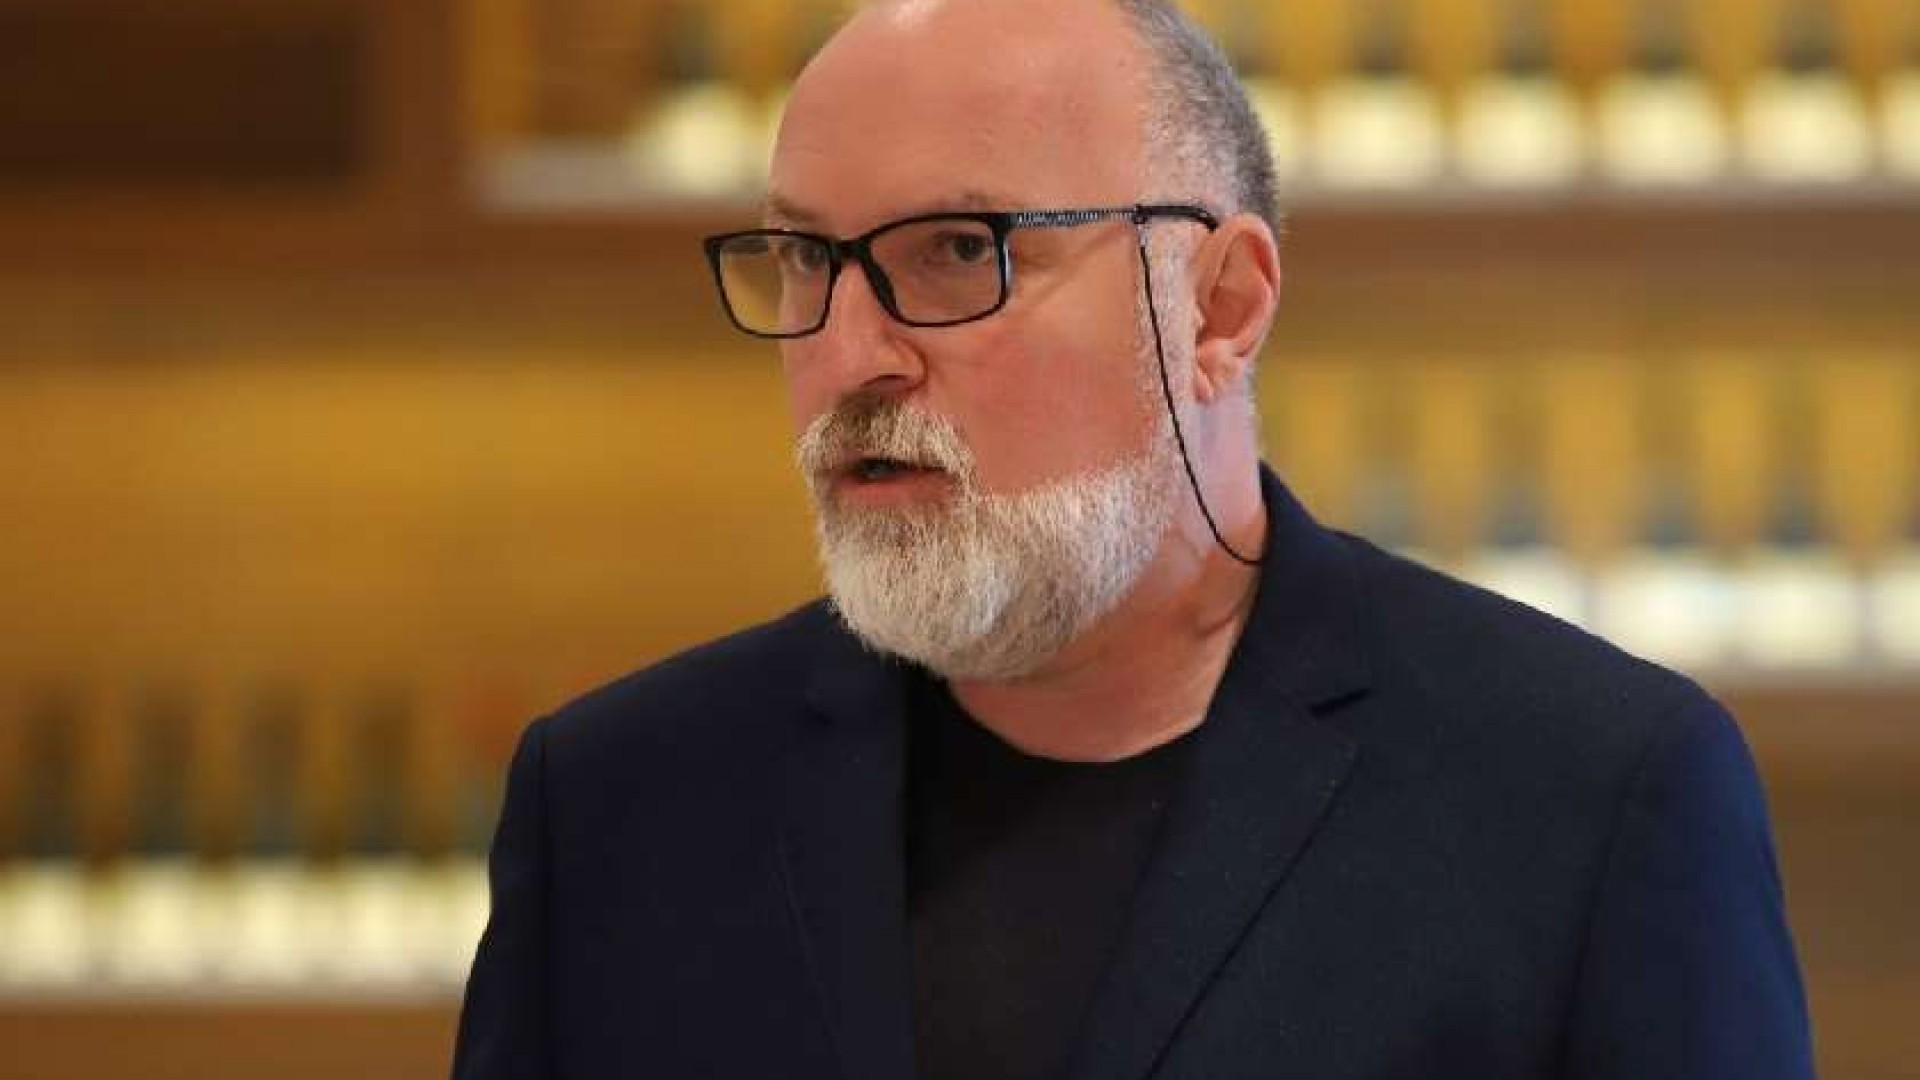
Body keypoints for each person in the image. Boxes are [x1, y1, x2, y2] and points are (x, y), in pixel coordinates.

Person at [451, 1, 1816, 1077]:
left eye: (959, 251)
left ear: (1219, 307)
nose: (852, 355)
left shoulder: (1592, 794)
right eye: (808, 259)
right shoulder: (620, 805)